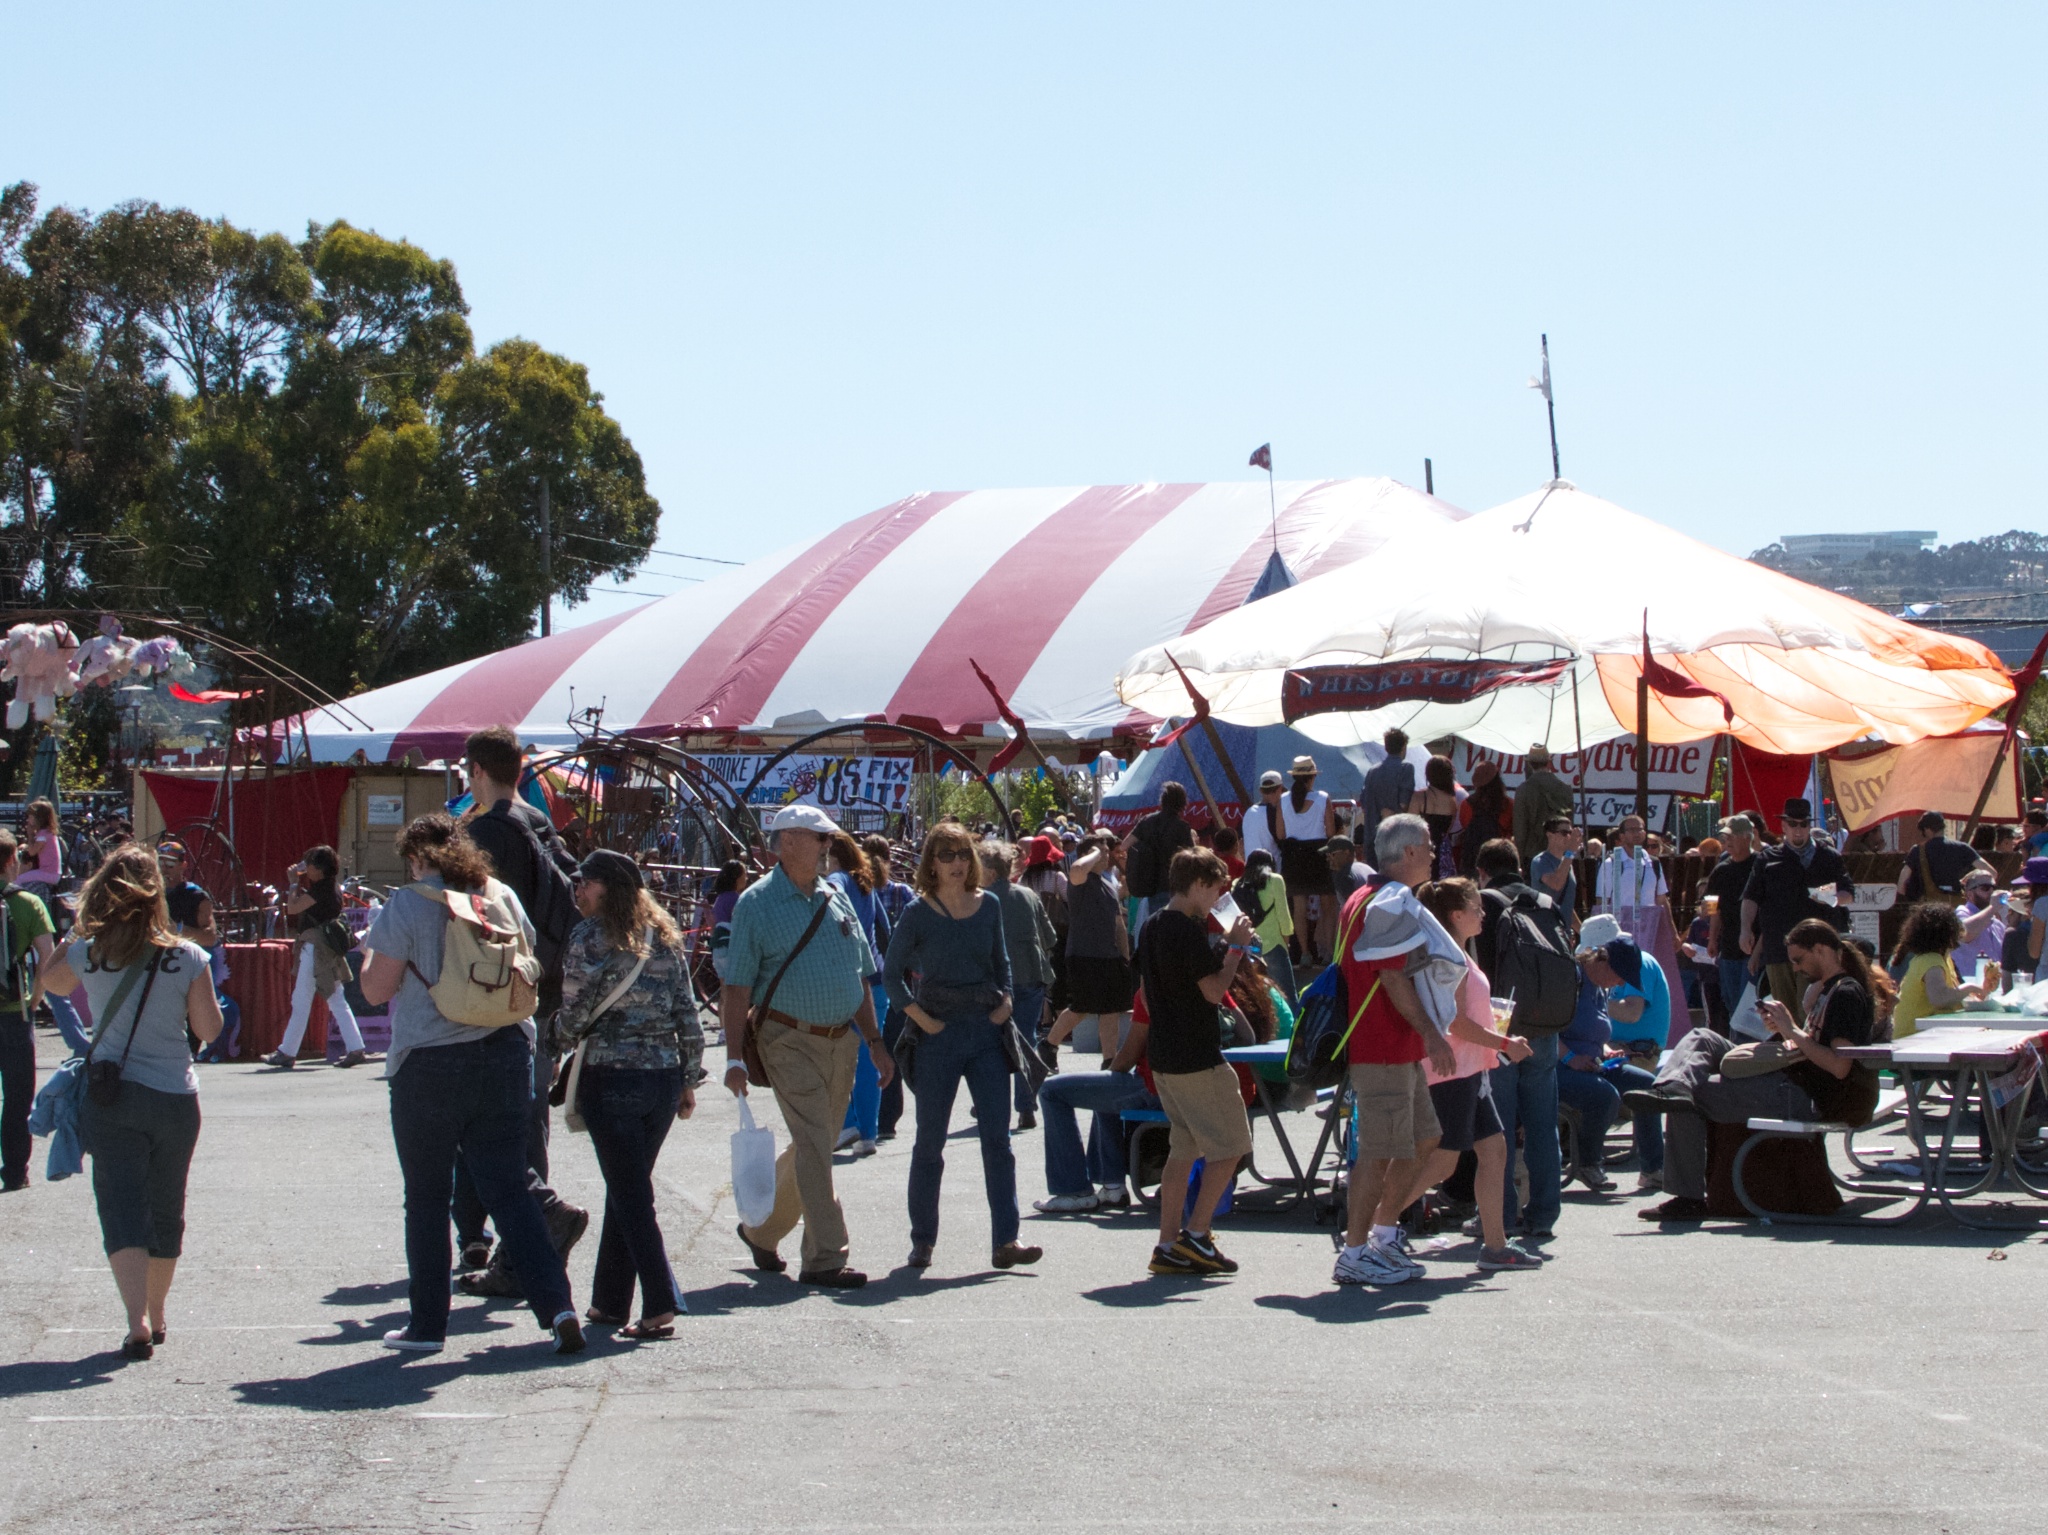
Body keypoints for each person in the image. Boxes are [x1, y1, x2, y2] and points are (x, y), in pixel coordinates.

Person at [357, 815, 585, 1355]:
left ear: (416, 858)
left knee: (428, 1197)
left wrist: (372, 952)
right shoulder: (499, 895)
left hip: (430, 1062)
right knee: (509, 1189)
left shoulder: (408, 903)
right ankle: (557, 1306)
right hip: (505, 1050)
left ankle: (428, 1325)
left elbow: (375, 989)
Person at [38, 845, 222, 1358]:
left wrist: (78, 927)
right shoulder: (188, 955)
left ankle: (135, 1319)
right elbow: (208, 1029)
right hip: (174, 1098)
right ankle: (160, 1314)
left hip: (111, 1094)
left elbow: (49, 982)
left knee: (120, 1207)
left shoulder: (89, 950)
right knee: (166, 1207)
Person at [723, 804, 893, 1288]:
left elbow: (859, 976)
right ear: (789, 841)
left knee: (811, 1144)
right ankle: (825, 1258)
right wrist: (734, 1058)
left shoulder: (835, 896)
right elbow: (736, 988)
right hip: (785, 1039)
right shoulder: (755, 904)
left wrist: (876, 1042)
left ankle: (761, 1232)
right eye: (819, 838)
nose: (828, 847)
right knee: (818, 1143)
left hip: (841, 1043)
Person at [1631, 918, 1890, 1224]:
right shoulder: (1828, 989)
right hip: (1790, 1076)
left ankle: (1687, 1197)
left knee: (1697, 1094)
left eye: (1798, 960)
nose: (1795, 968)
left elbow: (1839, 1065)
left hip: (1807, 1096)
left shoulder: (1846, 994)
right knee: (1703, 1038)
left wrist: (1791, 1030)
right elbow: (1811, 1047)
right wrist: (1783, 1031)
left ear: (1821, 950)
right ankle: (1670, 1086)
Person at [454, 728, 590, 1286]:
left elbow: (477, 925)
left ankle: (533, 1233)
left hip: (499, 998)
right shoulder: (538, 822)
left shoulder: (486, 832)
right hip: (546, 994)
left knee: (487, 1125)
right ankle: (525, 1249)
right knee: (527, 1124)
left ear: (478, 770)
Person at [556, 849, 702, 1339]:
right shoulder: (664, 935)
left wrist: (551, 1038)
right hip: (661, 1079)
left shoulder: (589, 937)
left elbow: (574, 1014)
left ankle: (660, 1301)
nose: (579, 890)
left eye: (586, 882)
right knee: (628, 1186)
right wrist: (688, 1077)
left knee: (632, 1194)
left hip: (610, 1075)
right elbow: (688, 1012)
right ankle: (610, 1301)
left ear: (607, 888)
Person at [886, 822, 1039, 1272]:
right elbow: (891, 975)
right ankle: (923, 1241)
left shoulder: (989, 905)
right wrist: (919, 1018)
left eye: (962, 853)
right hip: (938, 1036)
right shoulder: (917, 913)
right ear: (930, 862)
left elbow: (1003, 964)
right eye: (946, 854)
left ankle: (1006, 1240)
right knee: (929, 1143)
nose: (956, 862)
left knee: (999, 1140)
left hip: (986, 1033)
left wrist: (1007, 1001)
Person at [1331, 814, 1461, 1286]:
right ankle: (1354, 1250)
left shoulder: (1371, 896)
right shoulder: (1384, 900)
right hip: (1382, 1046)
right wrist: (1430, 1033)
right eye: (1427, 845)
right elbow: (1390, 975)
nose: (1432, 853)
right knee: (1378, 1153)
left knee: (1425, 1139)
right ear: (1406, 853)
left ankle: (1384, 1235)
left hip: (1393, 1047)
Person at [1139, 848, 1255, 1277]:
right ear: (1199, 884)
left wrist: (1224, 945)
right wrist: (1236, 951)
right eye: (1217, 887)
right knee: (1232, 1146)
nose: (1219, 897)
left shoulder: (1152, 925)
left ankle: (1168, 1243)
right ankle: (1196, 1234)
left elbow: (1151, 993)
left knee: (1184, 1149)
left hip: (1166, 1055)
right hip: (1195, 1054)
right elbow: (1212, 990)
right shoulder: (1185, 929)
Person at [1413, 878, 1541, 1271]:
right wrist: (1504, 1045)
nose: (1482, 913)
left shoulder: (1459, 953)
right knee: (1443, 1163)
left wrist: (1497, 1038)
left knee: (1494, 1150)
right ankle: (1373, 1222)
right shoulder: (1448, 956)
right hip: (1452, 1071)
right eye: (1475, 907)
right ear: (1456, 915)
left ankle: (1496, 1245)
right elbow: (1456, 1024)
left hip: (1472, 1069)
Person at [1470, 838, 1569, 1243]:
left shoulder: (1485, 903)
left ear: (1482, 871)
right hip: (1544, 1025)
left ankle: (1500, 1215)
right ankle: (1544, 1212)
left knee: (1500, 1127)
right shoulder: (1545, 903)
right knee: (1543, 1121)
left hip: (1501, 1028)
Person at [1554, 962, 1665, 1195]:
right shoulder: (1569, 980)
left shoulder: (1600, 988)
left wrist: (1605, 1050)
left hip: (1593, 1063)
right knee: (1605, 1096)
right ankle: (1587, 1163)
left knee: (1646, 1084)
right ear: (1601, 963)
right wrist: (1572, 1058)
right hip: (1560, 1066)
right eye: (1619, 973)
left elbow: (1596, 1031)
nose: (1622, 983)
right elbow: (1547, 1032)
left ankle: (1653, 1169)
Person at [1, 830, 67, 1190]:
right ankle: (14, 1173)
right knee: (16, 1095)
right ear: (12, 861)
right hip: (15, 1011)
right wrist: (36, 997)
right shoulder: (28, 903)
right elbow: (48, 957)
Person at [1740, 797, 1854, 1007]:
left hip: (1817, 951)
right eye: (1792, 824)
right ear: (1784, 826)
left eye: (1803, 824)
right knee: (1785, 1014)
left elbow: (1848, 893)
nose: (1798, 829)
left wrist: (1830, 898)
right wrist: (1745, 929)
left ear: (1810, 825)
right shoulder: (1767, 859)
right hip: (1778, 950)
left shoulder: (1829, 857)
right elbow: (1750, 898)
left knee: (1810, 1011)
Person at [260, 847, 367, 1069]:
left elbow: (292, 908)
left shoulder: (321, 891)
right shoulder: (332, 888)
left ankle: (288, 1052)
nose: (305, 868)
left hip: (315, 949)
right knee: (333, 998)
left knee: (305, 1000)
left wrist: (292, 883)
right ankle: (354, 1047)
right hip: (324, 949)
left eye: (309, 864)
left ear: (319, 869)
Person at [979, 839, 1055, 1131]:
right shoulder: (1028, 896)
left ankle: (991, 1105)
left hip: (993, 982)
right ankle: (1026, 1107)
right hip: (1030, 977)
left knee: (993, 1045)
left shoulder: (980, 900)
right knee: (1026, 1040)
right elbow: (1050, 938)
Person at [829, 834, 893, 1157]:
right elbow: (886, 927)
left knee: (834, 1057)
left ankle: (847, 1124)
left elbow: (832, 890)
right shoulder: (867, 885)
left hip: (846, 978)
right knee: (871, 1059)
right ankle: (868, 1135)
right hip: (876, 978)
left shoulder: (836, 878)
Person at [1046, 833, 1133, 1062]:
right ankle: (1049, 1045)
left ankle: (1109, 1059)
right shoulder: (1079, 879)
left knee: (1110, 1009)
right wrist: (1094, 852)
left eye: (1106, 852)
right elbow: (1075, 868)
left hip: (1109, 955)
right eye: (1101, 852)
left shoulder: (1107, 883)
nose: (1106, 856)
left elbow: (1118, 924)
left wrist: (1124, 957)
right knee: (1081, 1007)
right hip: (1083, 954)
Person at [157, 842, 236, 1063]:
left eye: (170, 864)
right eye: (160, 863)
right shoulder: (151, 894)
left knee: (192, 1008)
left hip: (186, 963)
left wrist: (179, 930)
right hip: (157, 962)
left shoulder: (195, 896)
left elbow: (210, 936)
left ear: (183, 865)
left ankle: (189, 1052)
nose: (165, 869)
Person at [1889, 903, 1998, 1037]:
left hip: (1927, 1035)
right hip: (1912, 1038)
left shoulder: (1941, 958)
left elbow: (1950, 997)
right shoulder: (1931, 960)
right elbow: (1939, 999)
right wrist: (1969, 988)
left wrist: (1980, 991)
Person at [1580, 921, 1675, 1055]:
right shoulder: (1583, 975)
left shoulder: (1640, 963)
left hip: (1636, 1049)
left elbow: (1631, 1013)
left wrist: (1590, 1003)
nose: (1621, 983)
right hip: (1608, 1045)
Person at [1278, 756, 1338, 963]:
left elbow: (1280, 833)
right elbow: (1330, 831)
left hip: (1294, 853)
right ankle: (1328, 951)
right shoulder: (1323, 798)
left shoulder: (1283, 800)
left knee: (1299, 907)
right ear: (1312, 777)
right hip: (1318, 852)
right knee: (1328, 905)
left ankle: (1304, 953)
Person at [1703, 816, 1759, 1022]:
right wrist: (1711, 939)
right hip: (1728, 946)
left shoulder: (1760, 864)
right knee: (1731, 1001)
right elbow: (1712, 907)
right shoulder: (1721, 869)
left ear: (1747, 837)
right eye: (1726, 837)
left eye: (1733, 836)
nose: (1728, 842)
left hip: (1754, 947)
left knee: (1751, 1002)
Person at [1121, 782, 1194, 920]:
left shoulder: (1147, 821)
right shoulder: (1182, 827)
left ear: (1163, 800)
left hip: (1150, 886)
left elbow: (1124, 845)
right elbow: (1193, 857)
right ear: (1182, 803)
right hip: (1175, 887)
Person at [1234, 848, 1295, 1004]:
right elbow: (1284, 916)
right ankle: (1294, 1027)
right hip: (1274, 944)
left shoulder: (1237, 883)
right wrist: (1286, 942)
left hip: (1249, 948)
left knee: (1259, 998)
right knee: (1287, 996)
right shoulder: (1275, 880)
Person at [1897, 810, 1991, 903]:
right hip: (1956, 907)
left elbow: (1902, 884)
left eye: (1923, 831)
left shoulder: (1917, 850)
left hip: (1929, 909)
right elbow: (1991, 872)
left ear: (1927, 829)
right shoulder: (1962, 848)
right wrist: (1969, 876)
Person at [1512, 745, 1575, 865]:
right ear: (1549, 763)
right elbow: (1569, 827)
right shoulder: (1565, 789)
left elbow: (1520, 831)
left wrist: (1519, 861)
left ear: (1530, 764)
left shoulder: (1523, 790)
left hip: (1532, 856)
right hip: (1559, 855)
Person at [1455, 761, 1514, 876]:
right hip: (1500, 859)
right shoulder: (1508, 804)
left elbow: (1464, 824)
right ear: (1498, 780)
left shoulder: (1466, 804)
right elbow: (1511, 830)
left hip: (1473, 859)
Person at [1949, 870, 2008, 982]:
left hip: (1993, 986)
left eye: (1993, 888)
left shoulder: (1997, 924)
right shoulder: (1961, 913)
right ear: (1969, 894)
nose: (1991, 892)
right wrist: (1992, 908)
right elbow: (1964, 933)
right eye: (1985, 888)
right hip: (1968, 985)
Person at [1409, 755, 1463, 873]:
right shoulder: (1452, 800)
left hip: (1422, 849)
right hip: (1443, 850)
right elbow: (1448, 828)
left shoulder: (1419, 797)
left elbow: (1410, 826)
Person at [1528, 816, 1579, 935]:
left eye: (1570, 833)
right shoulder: (1540, 861)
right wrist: (1570, 852)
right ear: (1550, 835)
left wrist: (1583, 932)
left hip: (1564, 933)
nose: (1569, 837)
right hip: (1546, 931)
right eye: (1564, 833)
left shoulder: (1567, 864)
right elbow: (1556, 884)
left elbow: (1566, 904)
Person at [1360, 729, 1415, 831]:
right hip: (1395, 832)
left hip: (1373, 833)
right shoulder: (1406, 768)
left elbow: (1364, 802)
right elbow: (1404, 803)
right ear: (1403, 747)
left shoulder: (1372, 771)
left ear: (1386, 747)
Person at [1240, 770, 1287, 868]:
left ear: (1260, 790)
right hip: (1273, 875)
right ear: (1280, 788)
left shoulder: (1249, 812)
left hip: (1251, 873)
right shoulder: (1275, 813)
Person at [16, 798, 64, 893]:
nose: (28, 819)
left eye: (30, 817)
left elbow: (32, 852)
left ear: (38, 818)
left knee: (18, 879)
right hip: (52, 873)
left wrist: (30, 834)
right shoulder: (48, 833)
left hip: (49, 874)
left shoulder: (43, 835)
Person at [1323, 835, 1373, 905]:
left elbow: (1352, 908)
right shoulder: (1363, 866)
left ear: (1346, 852)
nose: (1328, 859)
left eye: (1332, 854)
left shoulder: (1343, 875)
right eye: (1327, 855)